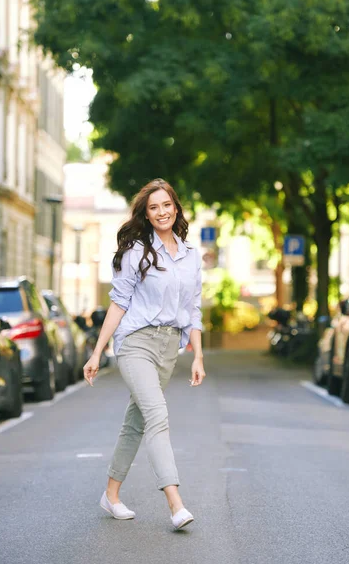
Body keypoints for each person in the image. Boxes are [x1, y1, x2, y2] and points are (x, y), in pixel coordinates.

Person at [83, 178, 205, 530]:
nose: (161, 212)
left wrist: (198, 356)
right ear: (146, 214)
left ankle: (111, 494)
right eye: (154, 207)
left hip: (169, 347)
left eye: (166, 205)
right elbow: (119, 304)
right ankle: (176, 503)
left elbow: (193, 308)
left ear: (176, 208)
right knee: (157, 417)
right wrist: (97, 353)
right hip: (135, 343)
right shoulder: (136, 252)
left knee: (136, 423)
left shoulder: (190, 256)